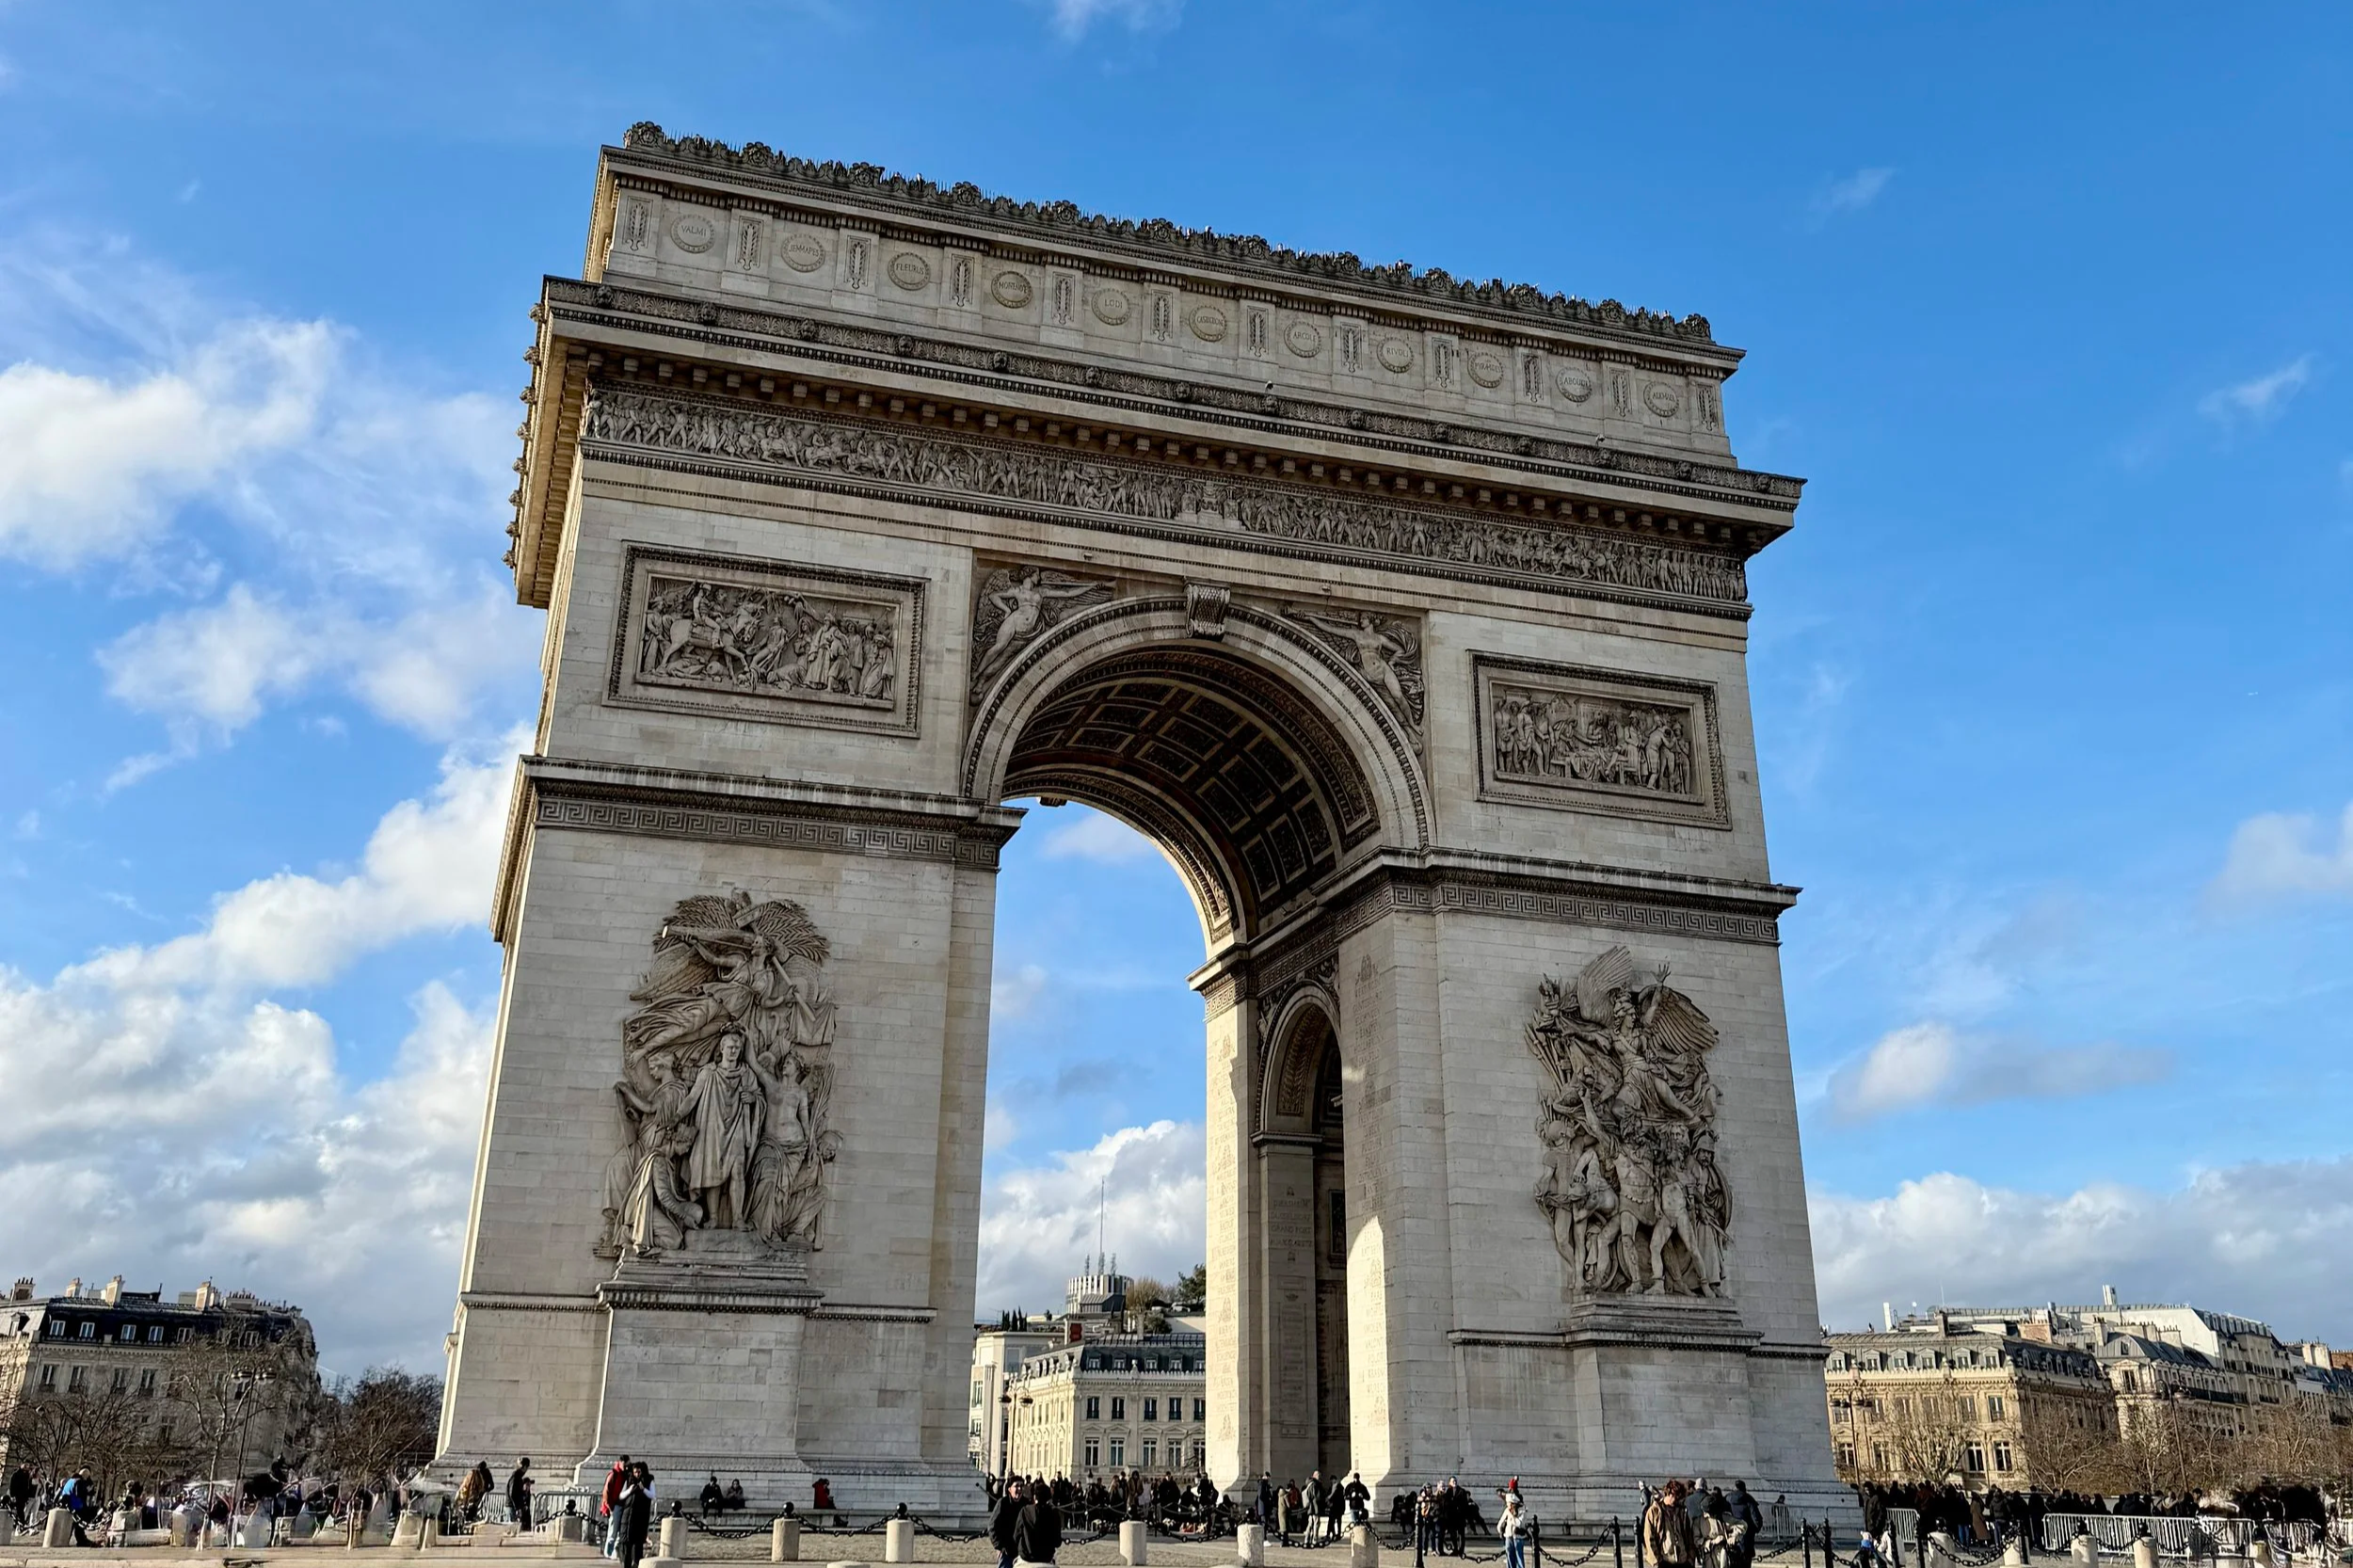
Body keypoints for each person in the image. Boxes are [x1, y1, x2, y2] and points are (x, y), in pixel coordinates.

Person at [1644, 1481, 1698, 1568]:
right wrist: (1656, 1561)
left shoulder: (1682, 1511)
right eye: (1676, 1496)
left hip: (1683, 1561)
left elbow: (1689, 1536)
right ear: (1669, 1493)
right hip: (1665, 1560)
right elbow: (1649, 1537)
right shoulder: (1655, 1511)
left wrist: (1690, 1559)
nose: (1677, 1500)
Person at [613, 1466, 653, 1568]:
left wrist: (643, 1489)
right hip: (627, 1519)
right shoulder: (629, 1481)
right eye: (635, 1472)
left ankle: (636, 1564)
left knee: (638, 1548)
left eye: (639, 1472)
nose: (637, 1474)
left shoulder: (648, 1481)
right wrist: (629, 1491)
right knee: (627, 1547)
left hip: (640, 1520)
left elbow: (653, 1495)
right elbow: (621, 1496)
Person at [1015, 1483, 1063, 1565]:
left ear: (1034, 1497)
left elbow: (1016, 1536)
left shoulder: (1025, 1511)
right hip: (1046, 1557)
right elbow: (1057, 1542)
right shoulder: (1054, 1513)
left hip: (1026, 1557)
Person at [989, 1480, 1027, 1568]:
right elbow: (992, 1526)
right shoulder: (1002, 1503)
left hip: (1023, 1552)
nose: (1019, 1488)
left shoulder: (1026, 1505)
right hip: (1006, 1551)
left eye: (1021, 1486)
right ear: (1009, 1489)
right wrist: (999, 1547)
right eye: (1016, 1486)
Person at [600, 1456, 632, 1557]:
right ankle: (608, 1552)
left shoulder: (625, 1474)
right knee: (613, 1531)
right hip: (615, 1506)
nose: (627, 1467)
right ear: (621, 1462)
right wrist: (610, 1508)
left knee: (619, 1532)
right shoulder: (613, 1474)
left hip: (623, 1505)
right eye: (626, 1464)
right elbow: (606, 1492)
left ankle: (614, 1552)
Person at [1500, 1491, 1534, 1568]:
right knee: (1509, 1556)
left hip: (1518, 1536)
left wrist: (1512, 1516)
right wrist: (1501, 1530)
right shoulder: (1507, 1511)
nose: (1508, 1506)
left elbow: (1519, 1523)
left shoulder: (1522, 1511)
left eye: (1509, 1504)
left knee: (1519, 1557)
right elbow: (1501, 1522)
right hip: (1509, 1535)